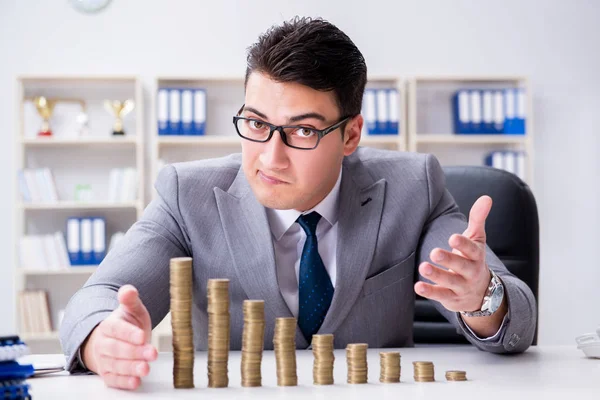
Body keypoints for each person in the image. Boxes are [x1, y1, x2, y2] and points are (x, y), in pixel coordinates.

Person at [59, 16, 537, 390]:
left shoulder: (415, 186)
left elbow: (518, 316)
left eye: (303, 130)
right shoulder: (188, 196)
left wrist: (481, 296)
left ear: (351, 134)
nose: (271, 156)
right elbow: (94, 300)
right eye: (255, 122)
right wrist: (104, 340)